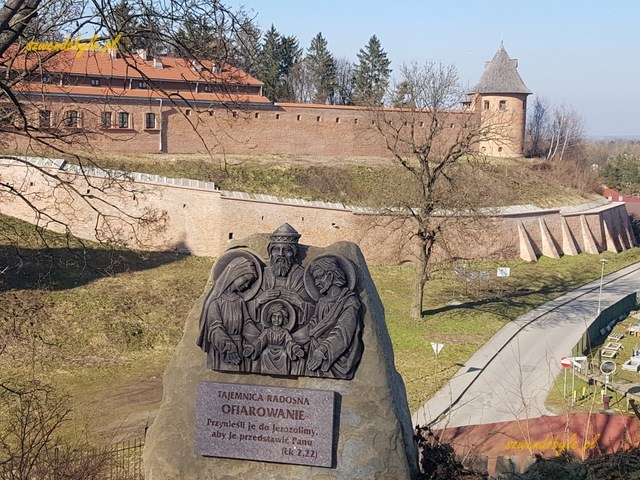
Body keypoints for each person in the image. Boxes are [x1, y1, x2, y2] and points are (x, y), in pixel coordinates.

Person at [197, 256, 260, 372]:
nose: (246, 286)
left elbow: (247, 324)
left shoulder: (239, 301)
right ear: (234, 274)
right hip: (223, 348)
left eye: (249, 283)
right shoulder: (215, 302)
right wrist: (228, 347)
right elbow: (215, 327)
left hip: (240, 347)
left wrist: (259, 340)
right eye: (245, 280)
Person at [305, 255, 362, 379]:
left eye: (319, 277)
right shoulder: (321, 302)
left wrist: (322, 350)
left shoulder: (350, 302)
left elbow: (343, 332)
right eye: (315, 279)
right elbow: (312, 328)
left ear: (330, 276)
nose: (316, 283)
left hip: (334, 357)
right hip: (314, 356)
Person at [243, 301, 304, 376]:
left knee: (284, 354)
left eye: (279, 317)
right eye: (274, 316)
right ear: (270, 317)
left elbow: (289, 342)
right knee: (265, 353)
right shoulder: (267, 331)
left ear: (284, 318)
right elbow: (260, 341)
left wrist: (295, 349)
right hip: (267, 354)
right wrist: (252, 348)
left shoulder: (284, 332)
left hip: (281, 354)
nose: (276, 319)